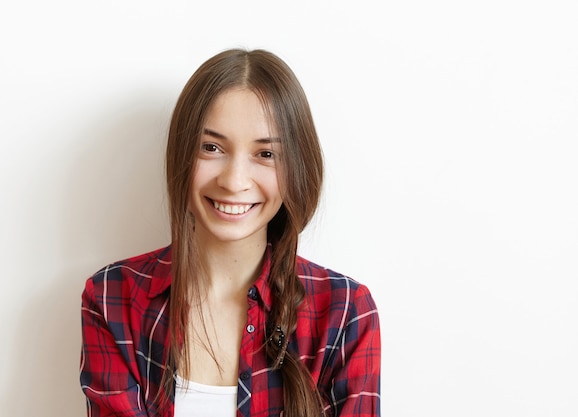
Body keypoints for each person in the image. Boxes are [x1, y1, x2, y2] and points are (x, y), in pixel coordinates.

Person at [80, 48, 381, 417]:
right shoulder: (112, 297)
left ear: (296, 167)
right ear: (181, 154)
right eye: (211, 148)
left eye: (266, 154)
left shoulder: (345, 312)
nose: (234, 181)